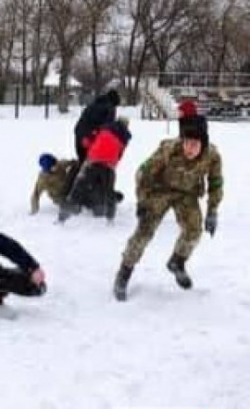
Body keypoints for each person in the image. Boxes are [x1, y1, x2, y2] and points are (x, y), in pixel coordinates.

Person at [113, 115, 222, 301]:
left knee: (194, 230)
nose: (189, 148)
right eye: (187, 142)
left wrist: (212, 211)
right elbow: (143, 173)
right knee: (144, 232)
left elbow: (216, 183)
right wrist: (142, 201)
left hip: (186, 193)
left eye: (195, 144)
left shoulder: (212, 156)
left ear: (203, 144)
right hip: (159, 190)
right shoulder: (169, 149)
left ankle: (177, 262)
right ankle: (124, 273)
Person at [60, 117, 131, 221]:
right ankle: (110, 219)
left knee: (79, 187)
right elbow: (120, 155)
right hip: (109, 166)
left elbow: (88, 141)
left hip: (93, 161)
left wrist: (90, 148)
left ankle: (63, 216)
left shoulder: (104, 128)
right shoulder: (125, 137)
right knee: (109, 191)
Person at [73, 89, 120, 162]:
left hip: (79, 136)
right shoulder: (110, 108)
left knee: (82, 164)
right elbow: (108, 128)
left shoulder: (93, 104)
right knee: (91, 166)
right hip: (91, 139)